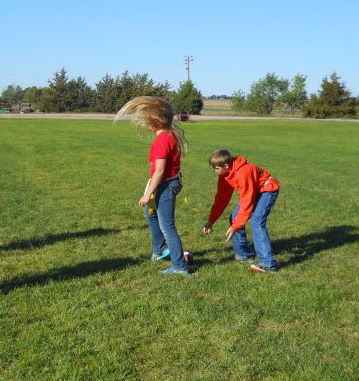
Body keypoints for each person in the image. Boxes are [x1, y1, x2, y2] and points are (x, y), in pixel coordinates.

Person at [115, 96, 191, 276]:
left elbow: (159, 171)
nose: (145, 121)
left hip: (164, 185)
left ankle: (179, 266)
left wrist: (147, 193)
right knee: (150, 214)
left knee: (167, 226)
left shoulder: (162, 140)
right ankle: (159, 250)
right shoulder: (168, 135)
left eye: (147, 117)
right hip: (165, 184)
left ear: (155, 120)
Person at [203, 149, 280, 273]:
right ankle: (244, 255)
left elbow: (247, 202)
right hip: (253, 191)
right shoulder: (225, 174)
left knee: (257, 222)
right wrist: (211, 220)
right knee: (235, 217)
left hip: (267, 190)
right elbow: (221, 199)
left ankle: (268, 264)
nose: (215, 171)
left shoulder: (243, 173)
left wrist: (235, 226)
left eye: (216, 168)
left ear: (226, 166)